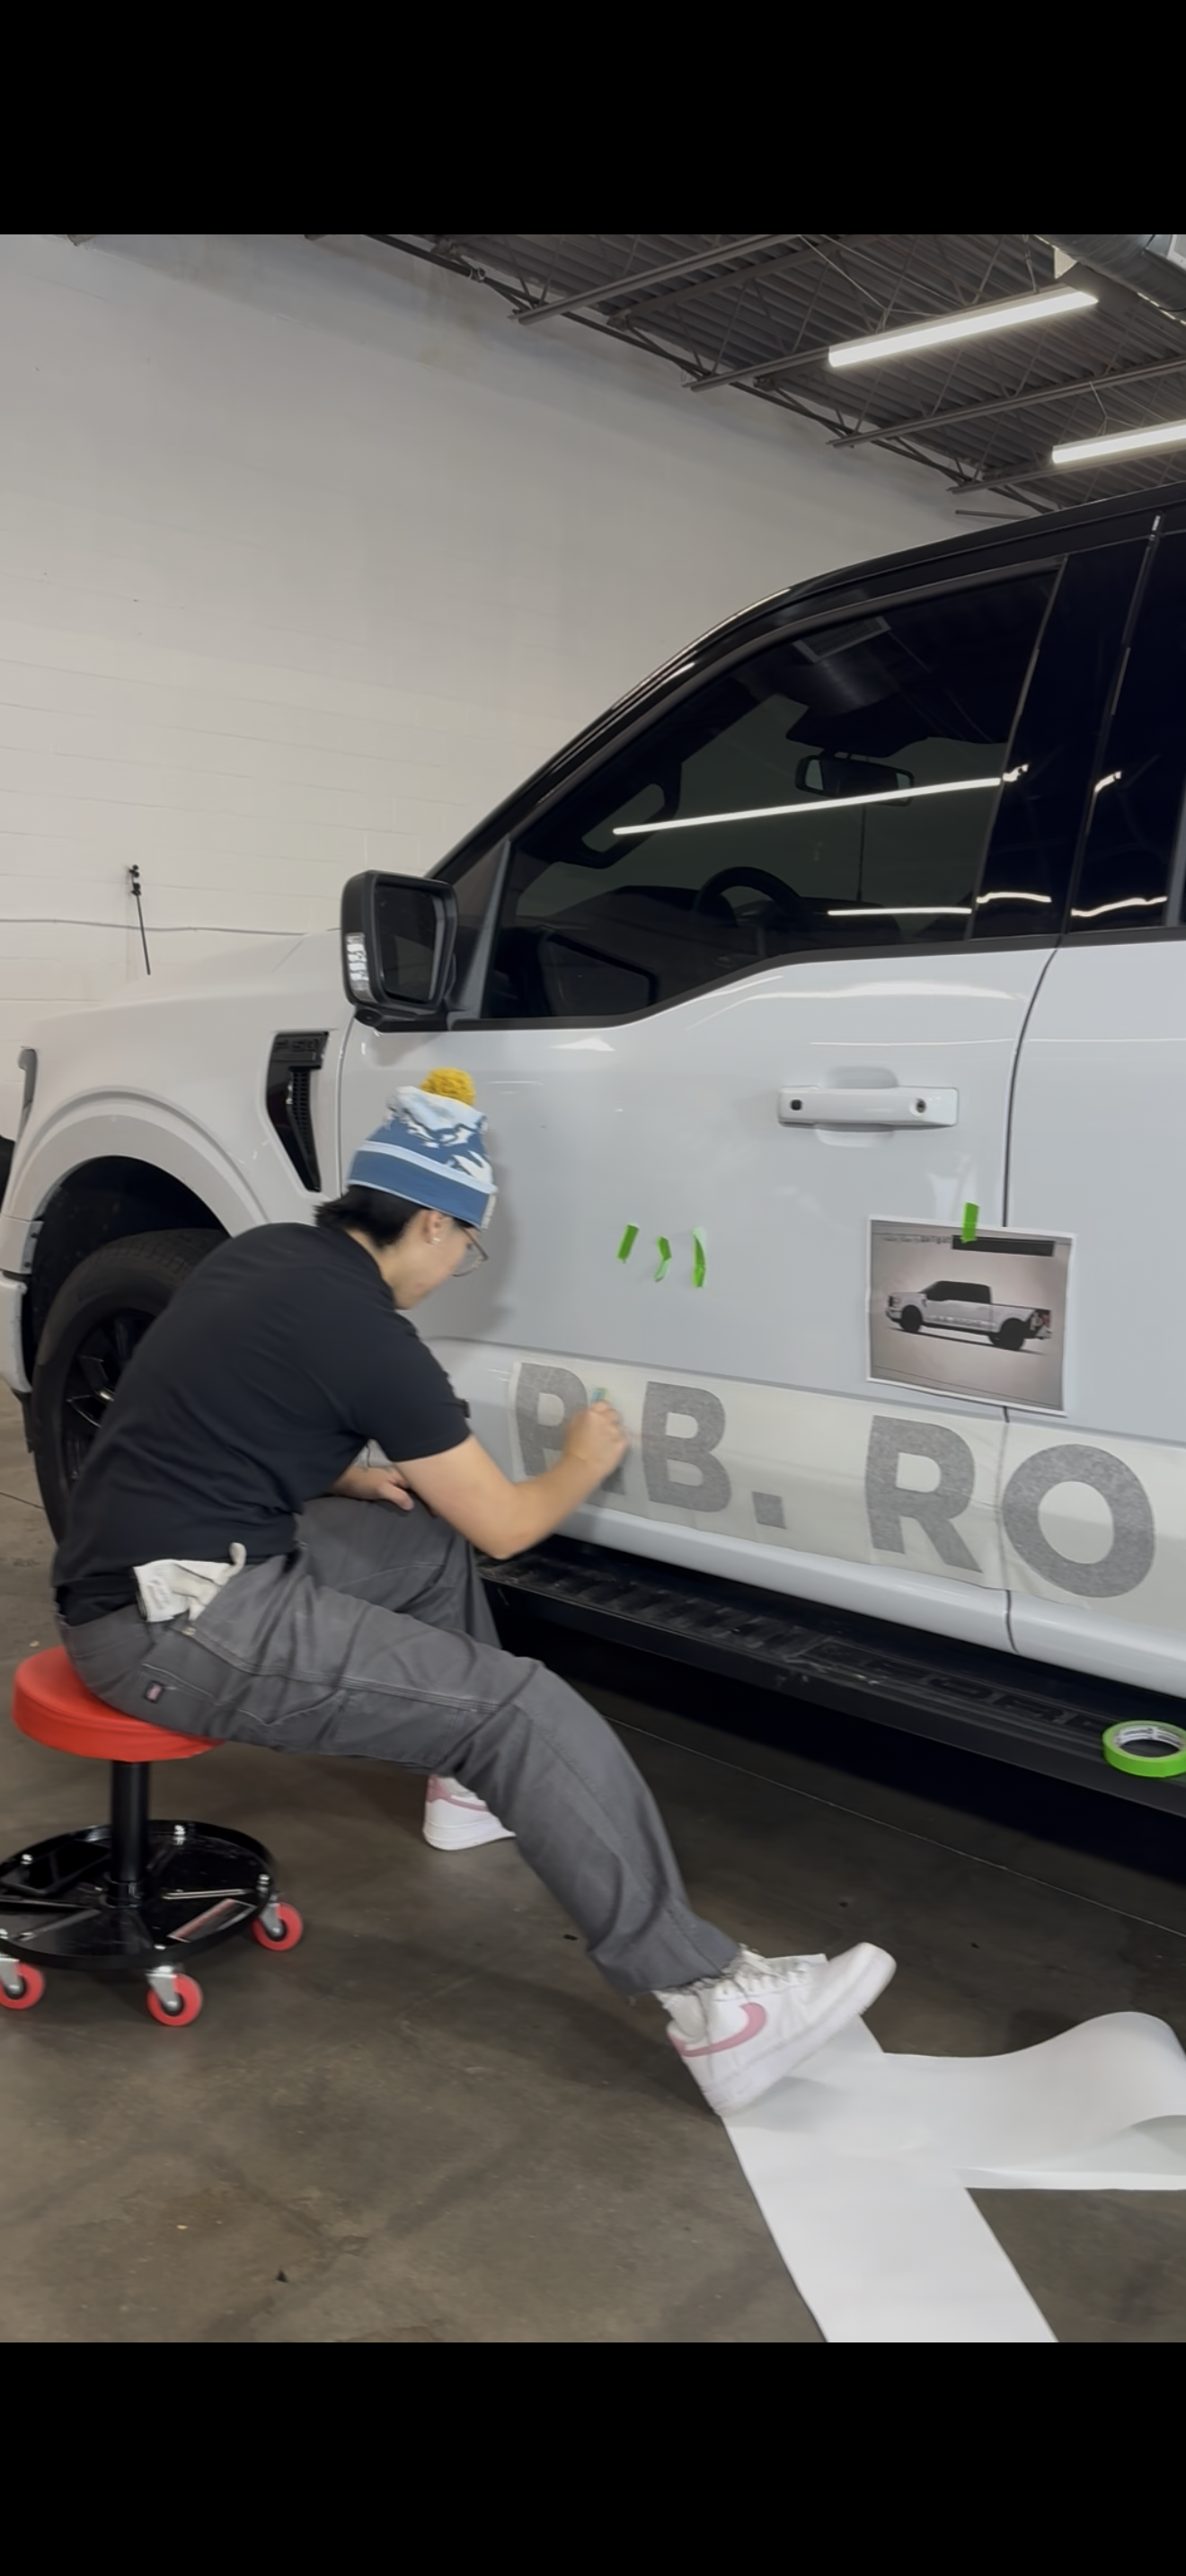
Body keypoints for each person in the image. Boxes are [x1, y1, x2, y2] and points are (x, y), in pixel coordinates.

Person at [53, 1071, 895, 2115]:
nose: (460, 1269)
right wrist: (585, 1457)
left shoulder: (265, 1256)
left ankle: (468, 1798)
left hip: (148, 1563)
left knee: (418, 1538)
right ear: (437, 1226)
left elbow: (204, 1416)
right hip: (174, 1626)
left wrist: (348, 1477)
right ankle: (716, 2004)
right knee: (519, 1707)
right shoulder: (373, 1339)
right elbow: (508, 1523)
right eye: (470, 1247)